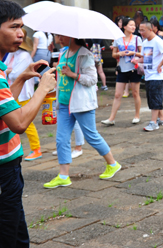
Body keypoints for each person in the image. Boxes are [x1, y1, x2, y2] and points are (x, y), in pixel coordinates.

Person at [0, 0, 57, 247]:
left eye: (22, 27)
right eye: (14, 26)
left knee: (17, 229)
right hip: (3, 168)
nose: (21, 34)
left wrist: (21, 80)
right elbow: (19, 123)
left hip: (8, 165)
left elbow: (5, 108)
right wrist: (42, 89)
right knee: (8, 234)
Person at [44, 34, 122, 189]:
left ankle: (112, 163)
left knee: (91, 136)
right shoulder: (63, 53)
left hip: (81, 103)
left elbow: (92, 80)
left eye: (61, 36)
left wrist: (73, 74)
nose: (58, 38)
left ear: (72, 36)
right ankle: (63, 175)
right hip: (64, 103)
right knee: (61, 139)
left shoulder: (85, 54)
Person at [5, 30, 44, 161]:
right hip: (13, 91)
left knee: (26, 122)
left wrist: (9, 71)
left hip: (23, 93)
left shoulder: (23, 56)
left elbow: (15, 73)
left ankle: (36, 148)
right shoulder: (12, 54)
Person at [102, 18, 142, 126]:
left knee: (135, 93)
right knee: (117, 94)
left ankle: (137, 116)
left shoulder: (137, 38)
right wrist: (120, 54)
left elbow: (142, 54)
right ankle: (111, 118)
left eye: (134, 25)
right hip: (122, 69)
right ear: (124, 27)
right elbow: (114, 54)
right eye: (130, 25)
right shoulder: (118, 39)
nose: (133, 27)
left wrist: (132, 53)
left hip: (134, 68)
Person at [136, 21, 163, 132]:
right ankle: (161, 119)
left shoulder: (158, 41)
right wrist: (135, 60)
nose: (141, 32)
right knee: (154, 98)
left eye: (143, 30)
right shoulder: (145, 42)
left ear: (151, 29)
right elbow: (145, 58)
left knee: (154, 99)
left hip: (156, 75)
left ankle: (154, 122)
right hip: (148, 75)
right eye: (140, 30)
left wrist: (160, 65)